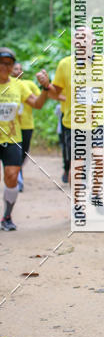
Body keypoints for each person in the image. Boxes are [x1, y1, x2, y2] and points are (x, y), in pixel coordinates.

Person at [37, 28, 104, 185]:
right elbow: (54, 93)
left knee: (99, 158)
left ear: (93, 42)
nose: (81, 42)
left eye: (85, 38)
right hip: (73, 123)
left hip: (97, 121)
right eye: (78, 39)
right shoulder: (65, 64)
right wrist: (47, 86)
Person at [0, 47, 49, 230]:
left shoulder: (18, 85)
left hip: (12, 138)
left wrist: (45, 87)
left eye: (9, 63)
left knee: (12, 176)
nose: (5, 67)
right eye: (2, 63)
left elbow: (37, 104)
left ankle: (7, 217)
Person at [11, 61, 40, 191]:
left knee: (24, 152)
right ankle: (17, 176)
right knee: (15, 153)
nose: (18, 71)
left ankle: (18, 170)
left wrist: (46, 87)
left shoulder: (28, 85)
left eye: (20, 69)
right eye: (15, 69)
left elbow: (38, 100)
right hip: (12, 127)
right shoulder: (6, 86)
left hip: (27, 125)